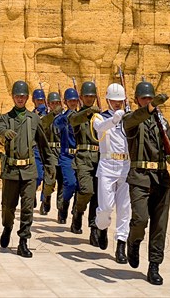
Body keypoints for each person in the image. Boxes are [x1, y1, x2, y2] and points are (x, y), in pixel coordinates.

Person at [123, 81, 170, 285]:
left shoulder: (163, 122)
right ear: (137, 100)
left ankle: (154, 265)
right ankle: (133, 241)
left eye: (150, 98)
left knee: (159, 226)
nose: (148, 101)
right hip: (139, 177)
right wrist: (151, 107)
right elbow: (136, 118)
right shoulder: (131, 119)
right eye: (144, 98)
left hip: (161, 178)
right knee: (140, 219)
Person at [0, 80, 52, 258]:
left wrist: (50, 167)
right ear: (13, 97)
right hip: (11, 171)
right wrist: (4, 133)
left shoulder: (34, 119)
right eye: (17, 96)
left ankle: (23, 242)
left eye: (23, 96)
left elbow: (43, 145)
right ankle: (7, 227)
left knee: (27, 207)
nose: (20, 99)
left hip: (29, 170)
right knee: (8, 208)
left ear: (27, 98)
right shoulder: (5, 118)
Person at [91, 83, 131, 263]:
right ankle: (101, 226)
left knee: (124, 209)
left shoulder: (128, 117)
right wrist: (114, 119)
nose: (117, 104)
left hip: (126, 165)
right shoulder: (99, 117)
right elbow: (100, 128)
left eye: (120, 101)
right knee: (106, 207)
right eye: (114, 101)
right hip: (107, 165)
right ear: (107, 100)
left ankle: (121, 245)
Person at [68, 81, 101, 246]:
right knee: (87, 191)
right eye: (86, 96)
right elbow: (74, 120)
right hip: (83, 158)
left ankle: (94, 228)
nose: (89, 98)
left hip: (100, 158)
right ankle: (78, 212)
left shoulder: (101, 115)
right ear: (81, 97)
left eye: (92, 96)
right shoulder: (76, 115)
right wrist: (88, 112)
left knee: (98, 197)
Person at [52, 88, 80, 224]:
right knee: (70, 183)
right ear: (66, 102)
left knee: (81, 187)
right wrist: (66, 115)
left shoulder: (82, 116)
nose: (73, 103)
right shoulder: (63, 118)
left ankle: (76, 216)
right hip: (66, 155)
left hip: (80, 156)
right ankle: (64, 203)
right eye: (71, 101)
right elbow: (56, 124)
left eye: (75, 100)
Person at [39, 91, 63, 215]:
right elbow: (42, 125)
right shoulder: (46, 117)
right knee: (50, 179)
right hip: (50, 152)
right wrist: (53, 114)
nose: (55, 105)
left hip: (62, 151)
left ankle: (61, 209)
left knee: (63, 181)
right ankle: (46, 198)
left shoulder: (64, 117)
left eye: (57, 103)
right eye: (53, 103)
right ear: (48, 104)